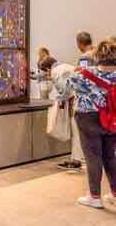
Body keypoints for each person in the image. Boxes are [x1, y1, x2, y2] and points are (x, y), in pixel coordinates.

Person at [68, 40, 116, 209]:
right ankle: (115, 194)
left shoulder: (85, 74)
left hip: (88, 118)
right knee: (110, 155)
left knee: (93, 156)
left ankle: (94, 196)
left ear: (98, 56)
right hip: (112, 119)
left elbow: (68, 86)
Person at [57, 32, 96, 171]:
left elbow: (83, 79)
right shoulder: (99, 54)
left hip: (85, 101)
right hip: (99, 101)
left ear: (80, 43)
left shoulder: (85, 57)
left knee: (78, 129)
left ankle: (76, 159)